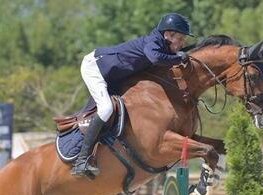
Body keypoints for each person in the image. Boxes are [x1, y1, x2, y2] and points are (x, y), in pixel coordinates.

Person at [71, 13, 193, 179]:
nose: (183, 42)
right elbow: (155, 58)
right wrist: (177, 59)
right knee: (106, 108)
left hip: (113, 75)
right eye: (180, 38)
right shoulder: (153, 42)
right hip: (95, 68)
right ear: (168, 35)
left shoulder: (162, 45)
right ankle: (81, 160)